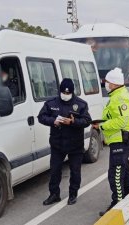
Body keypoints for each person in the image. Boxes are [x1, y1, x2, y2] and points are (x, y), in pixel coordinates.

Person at [38, 78, 92, 206]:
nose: (65, 95)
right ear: (60, 91)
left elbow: (87, 121)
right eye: (64, 92)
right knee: (55, 170)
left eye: (68, 93)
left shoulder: (80, 104)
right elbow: (41, 117)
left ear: (72, 92)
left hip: (75, 145)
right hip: (58, 143)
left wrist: (73, 122)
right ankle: (54, 194)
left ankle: (73, 194)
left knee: (75, 171)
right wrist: (53, 121)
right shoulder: (51, 103)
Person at [93, 68, 129, 216]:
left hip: (120, 139)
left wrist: (102, 126)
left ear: (114, 83)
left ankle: (117, 203)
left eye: (107, 82)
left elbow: (121, 121)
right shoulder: (116, 95)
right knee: (124, 170)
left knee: (115, 174)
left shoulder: (120, 97)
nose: (105, 84)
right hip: (118, 139)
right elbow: (114, 117)